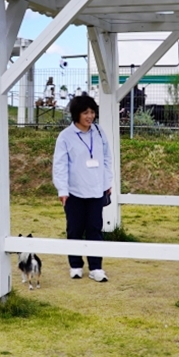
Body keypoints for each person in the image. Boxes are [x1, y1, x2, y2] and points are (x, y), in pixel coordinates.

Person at [52, 94, 113, 282]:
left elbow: (106, 159)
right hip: (74, 192)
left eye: (92, 112)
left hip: (96, 190)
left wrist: (107, 183)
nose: (90, 116)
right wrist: (62, 190)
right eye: (86, 112)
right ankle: (76, 265)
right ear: (76, 114)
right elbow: (60, 165)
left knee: (95, 229)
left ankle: (96, 267)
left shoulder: (99, 132)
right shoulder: (65, 137)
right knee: (75, 230)